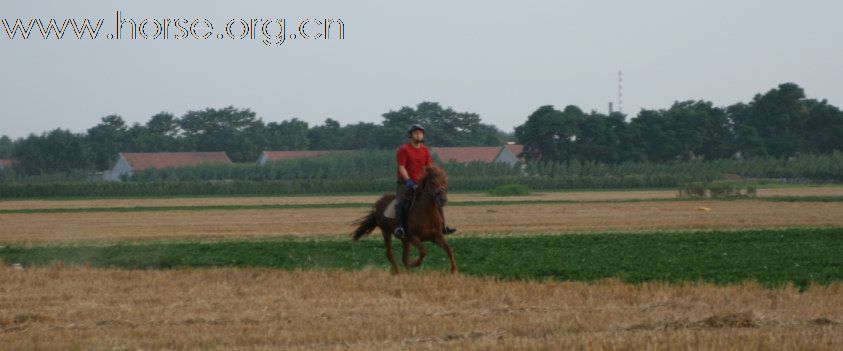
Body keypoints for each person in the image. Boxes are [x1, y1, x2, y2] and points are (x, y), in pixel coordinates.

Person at [393, 124, 457, 239]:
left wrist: (435, 180)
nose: (419, 135)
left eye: (420, 133)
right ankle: (400, 228)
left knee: (436, 199)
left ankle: (443, 226)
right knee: (402, 203)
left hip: (421, 182)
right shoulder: (404, 150)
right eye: (416, 133)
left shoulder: (425, 151)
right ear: (411, 135)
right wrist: (408, 181)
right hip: (405, 183)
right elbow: (401, 167)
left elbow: (429, 167)